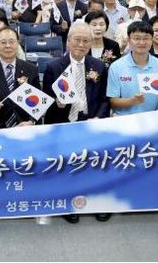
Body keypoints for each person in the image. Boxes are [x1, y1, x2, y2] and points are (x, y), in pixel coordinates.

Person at [42, 21, 110, 223]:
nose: (81, 45)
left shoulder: (98, 66)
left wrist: (98, 118)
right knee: (67, 166)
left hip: (90, 120)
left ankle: (97, 202)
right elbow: (46, 101)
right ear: (68, 41)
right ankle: (69, 202)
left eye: (86, 41)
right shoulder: (54, 67)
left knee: (94, 165)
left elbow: (105, 99)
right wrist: (57, 104)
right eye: (77, 40)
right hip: (64, 122)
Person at [0, 27, 39, 130]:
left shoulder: (31, 70)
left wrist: (32, 122)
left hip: (25, 129)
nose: (8, 46)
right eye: (3, 42)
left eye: (11, 42)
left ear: (18, 43)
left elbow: (39, 103)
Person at [107, 21, 158, 116]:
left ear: (152, 40)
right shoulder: (116, 67)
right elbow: (113, 102)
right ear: (129, 40)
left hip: (153, 118)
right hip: (124, 119)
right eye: (137, 38)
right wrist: (132, 101)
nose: (141, 42)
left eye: (146, 38)